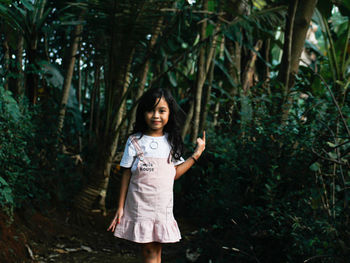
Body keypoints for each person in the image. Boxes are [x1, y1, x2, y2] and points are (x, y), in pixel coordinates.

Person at [107, 88, 206, 263]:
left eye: (162, 111)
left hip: (162, 206)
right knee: (150, 251)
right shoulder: (135, 141)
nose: (156, 116)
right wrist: (120, 207)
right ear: (143, 112)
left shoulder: (171, 141)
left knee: (155, 251)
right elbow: (126, 174)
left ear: (169, 114)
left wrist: (196, 155)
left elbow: (173, 174)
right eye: (151, 110)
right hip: (139, 205)